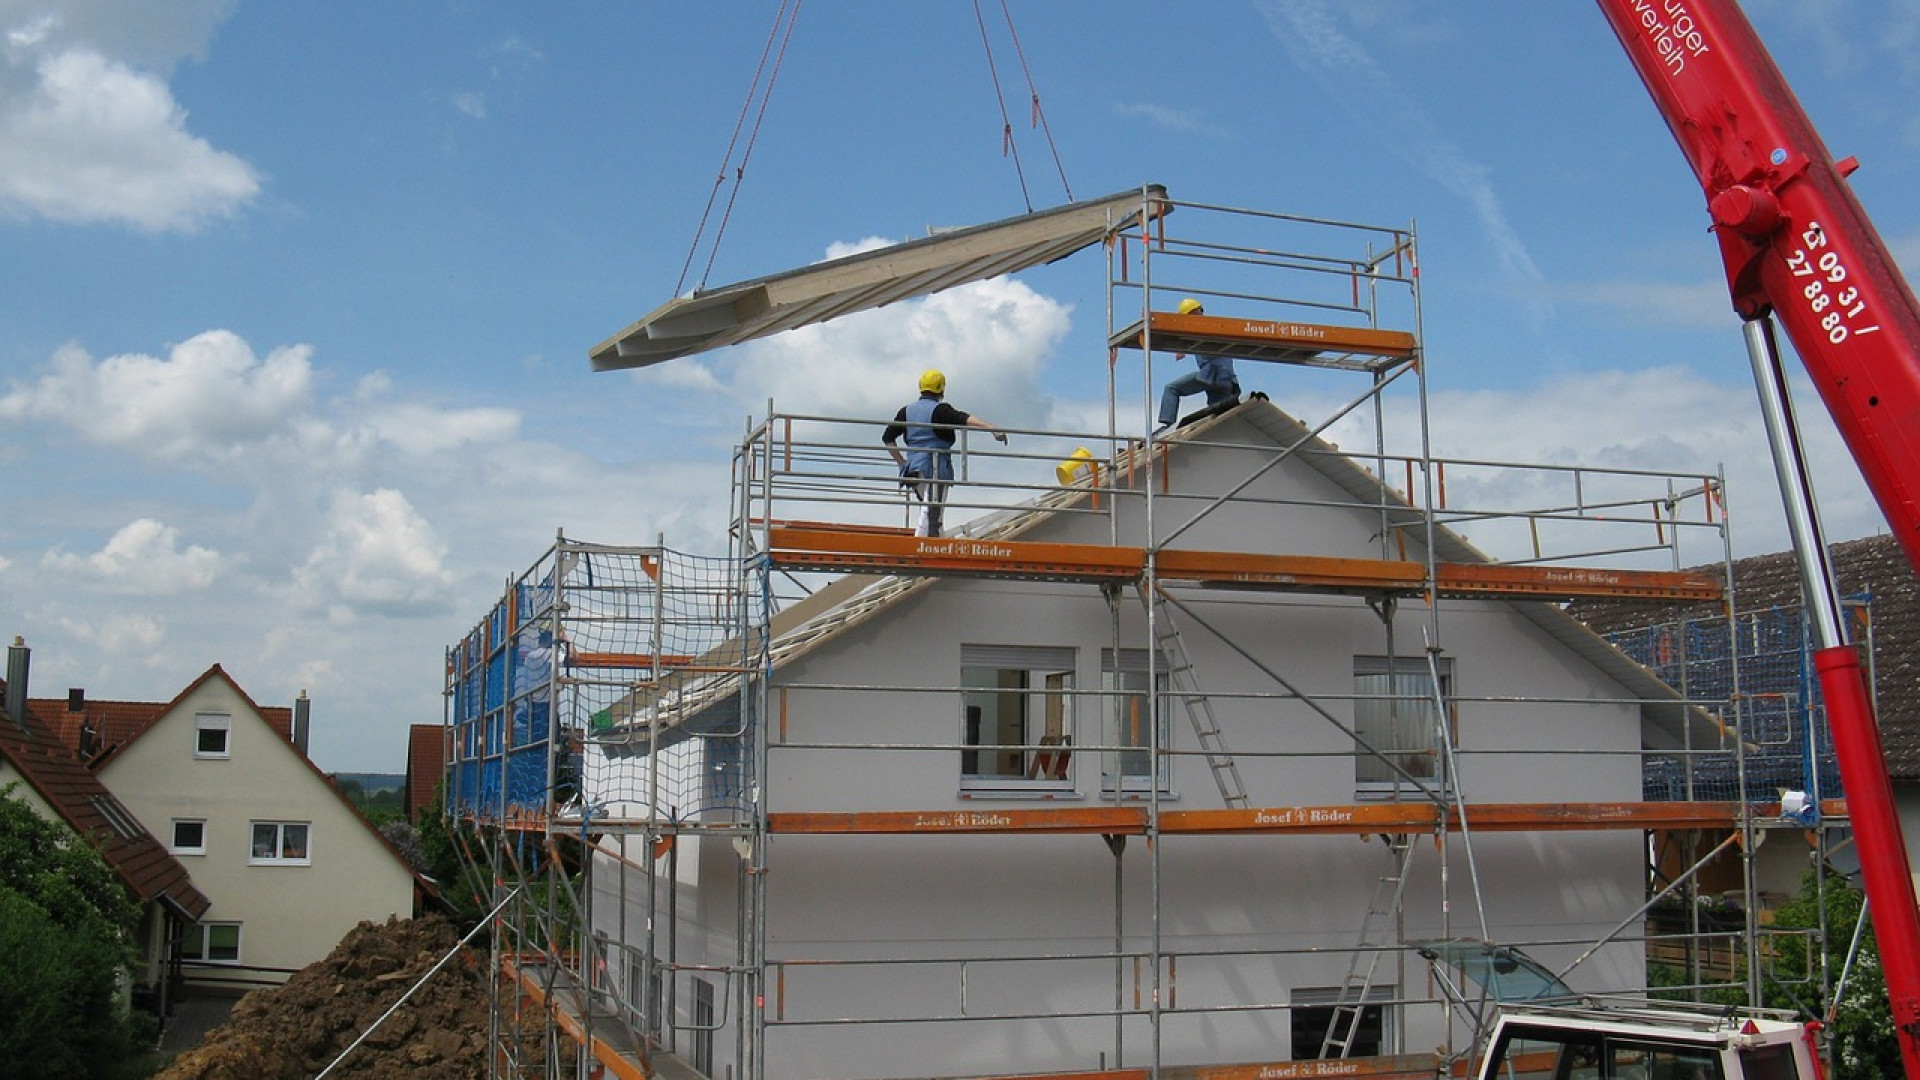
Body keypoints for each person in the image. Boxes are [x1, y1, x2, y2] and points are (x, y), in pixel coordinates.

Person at [883, 368, 1007, 537]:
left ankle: (937, 543)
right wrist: (991, 428)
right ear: (941, 389)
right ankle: (920, 547)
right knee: (931, 513)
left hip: (914, 470)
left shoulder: (906, 411)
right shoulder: (940, 410)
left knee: (933, 512)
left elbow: (888, 438)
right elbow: (963, 418)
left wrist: (902, 463)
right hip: (935, 468)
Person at [1156, 297, 1241, 433]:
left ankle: (1168, 426)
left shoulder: (1203, 326)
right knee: (1217, 415)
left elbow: (1194, 337)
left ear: (1194, 312)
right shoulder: (1214, 326)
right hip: (1228, 381)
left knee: (1171, 389)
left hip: (1212, 375)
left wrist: (1182, 347)